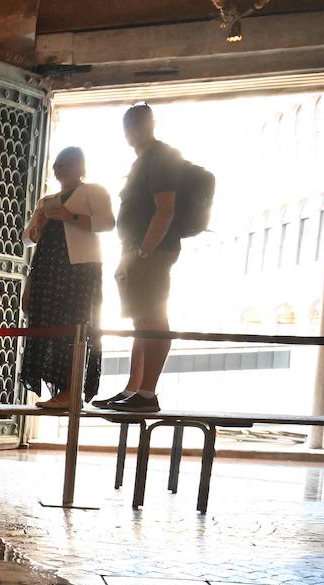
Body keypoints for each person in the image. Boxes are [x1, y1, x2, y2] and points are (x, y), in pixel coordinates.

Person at [96, 104, 182, 413]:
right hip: (137, 249)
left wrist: (145, 251)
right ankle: (134, 388)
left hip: (150, 251)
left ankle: (147, 393)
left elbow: (165, 208)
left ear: (151, 125)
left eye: (138, 124)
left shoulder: (160, 159)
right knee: (140, 320)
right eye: (129, 126)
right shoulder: (144, 161)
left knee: (152, 319)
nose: (132, 132)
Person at [20, 147, 115, 409]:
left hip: (79, 268)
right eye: (58, 165)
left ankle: (71, 389)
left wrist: (69, 216)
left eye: (67, 165)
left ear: (80, 168)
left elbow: (107, 223)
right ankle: (59, 390)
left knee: (75, 326)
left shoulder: (93, 191)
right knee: (49, 326)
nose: (61, 170)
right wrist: (38, 224)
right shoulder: (47, 200)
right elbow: (27, 239)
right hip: (48, 268)